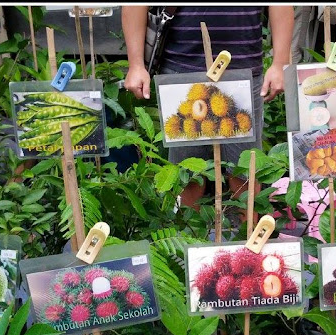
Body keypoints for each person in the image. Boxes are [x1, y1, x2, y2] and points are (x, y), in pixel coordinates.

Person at [122, 6, 293, 209]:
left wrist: (280, 62)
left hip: (242, 69)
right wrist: (135, 64)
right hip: (182, 68)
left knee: (245, 172)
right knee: (187, 174)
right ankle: (188, 229)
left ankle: (247, 230)